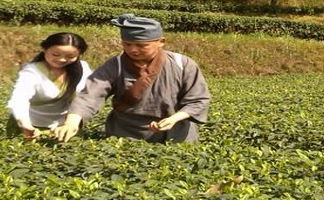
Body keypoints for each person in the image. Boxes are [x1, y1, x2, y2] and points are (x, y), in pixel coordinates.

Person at [54, 13, 210, 143]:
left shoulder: (182, 64)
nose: (133, 50)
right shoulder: (115, 64)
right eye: (127, 44)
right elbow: (91, 94)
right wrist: (71, 123)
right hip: (126, 134)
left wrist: (175, 118)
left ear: (161, 42)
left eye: (141, 45)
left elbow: (198, 99)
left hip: (176, 133)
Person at [5, 32, 93, 140]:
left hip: (64, 127)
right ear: (45, 49)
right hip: (31, 126)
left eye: (70, 56)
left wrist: (71, 123)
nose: (62, 60)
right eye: (55, 55)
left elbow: (86, 97)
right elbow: (20, 99)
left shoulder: (83, 68)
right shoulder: (32, 72)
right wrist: (25, 124)